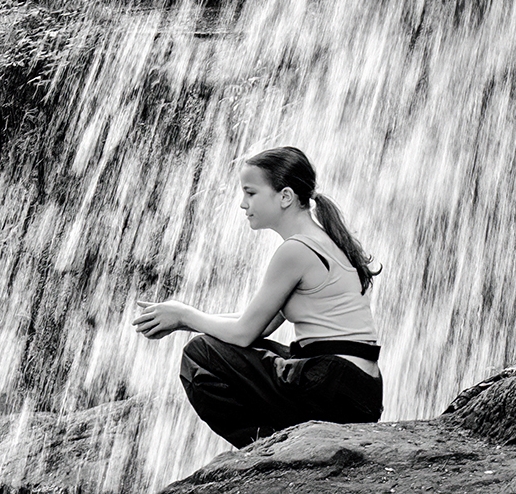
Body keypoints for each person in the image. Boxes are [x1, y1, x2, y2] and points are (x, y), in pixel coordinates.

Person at [132, 146, 382, 447]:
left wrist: (185, 314)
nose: (242, 203)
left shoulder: (296, 250)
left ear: (285, 197)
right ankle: (281, 447)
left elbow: (243, 332)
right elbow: (257, 325)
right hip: (360, 390)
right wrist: (182, 318)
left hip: (332, 384)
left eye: (250, 193)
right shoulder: (325, 241)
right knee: (224, 345)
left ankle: (266, 450)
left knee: (200, 355)